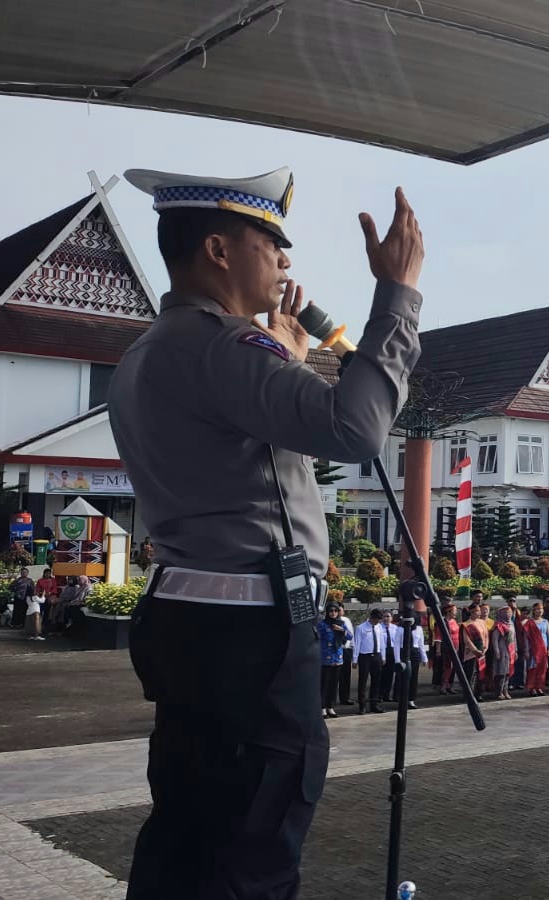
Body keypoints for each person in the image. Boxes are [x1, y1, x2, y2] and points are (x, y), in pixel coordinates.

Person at [110, 165, 423, 899]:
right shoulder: (221, 348)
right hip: (248, 631)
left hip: (194, 620)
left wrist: (282, 353)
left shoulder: (155, 349)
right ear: (219, 250)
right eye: (271, 241)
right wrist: (398, 294)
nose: (285, 260)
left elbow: (257, 436)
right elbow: (355, 428)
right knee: (253, 840)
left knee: (191, 835)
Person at [316, 603, 350, 719]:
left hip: (338, 657)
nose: (333, 613)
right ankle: (322, 708)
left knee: (334, 684)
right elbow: (316, 637)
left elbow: (350, 636)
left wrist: (341, 630)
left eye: (336, 611)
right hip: (326, 657)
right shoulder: (322, 624)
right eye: (331, 611)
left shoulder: (341, 623)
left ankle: (331, 706)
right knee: (324, 684)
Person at [354, 609, 388, 714]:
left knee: (376, 681)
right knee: (363, 681)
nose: (378, 622)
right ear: (371, 618)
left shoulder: (379, 627)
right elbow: (357, 644)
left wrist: (383, 656)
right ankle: (362, 705)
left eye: (379, 620)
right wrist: (355, 659)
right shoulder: (361, 628)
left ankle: (374, 704)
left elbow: (382, 642)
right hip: (365, 656)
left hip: (376, 656)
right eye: (376, 620)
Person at [522, 603, 549, 697]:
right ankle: (532, 687)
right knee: (533, 668)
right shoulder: (530, 622)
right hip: (533, 649)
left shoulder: (545, 621)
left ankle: (539, 687)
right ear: (534, 610)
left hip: (543, 649)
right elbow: (526, 637)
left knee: (542, 669)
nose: (540, 611)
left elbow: (548, 636)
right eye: (537, 609)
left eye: (541, 609)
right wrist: (526, 650)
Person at [488, 606, 516, 700]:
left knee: (508, 672)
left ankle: (505, 690)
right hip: (502, 650)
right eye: (506, 613)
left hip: (510, 650)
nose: (508, 614)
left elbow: (514, 639)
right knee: (501, 672)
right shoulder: (498, 625)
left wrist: (515, 651)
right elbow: (494, 639)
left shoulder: (511, 624)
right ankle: (498, 692)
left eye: (509, 613)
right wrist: (497, 651)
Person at [336, 601, 356, 706]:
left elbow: (351, 635)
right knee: (334, 676)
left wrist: (353, 654)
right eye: (336, 610)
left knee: (345, 676)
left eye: (340, 610)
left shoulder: (346, 620)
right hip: (336, 650)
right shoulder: (332, 622)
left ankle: (345, 698)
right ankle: (332, 700)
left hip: (346, 650)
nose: (338, 612)